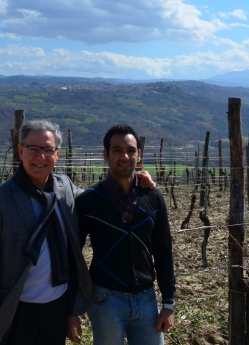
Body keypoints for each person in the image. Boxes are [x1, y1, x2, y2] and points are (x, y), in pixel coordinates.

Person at [0, 120, 155, 345]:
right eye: (33, 149)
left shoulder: (64, 188)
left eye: (48, 150)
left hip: (56, 309)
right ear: (21, 151)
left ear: (57, 154)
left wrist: (133, 180)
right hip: (16, 314)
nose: (41, 157)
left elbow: (101, 198)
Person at [72, 124, 176, 345]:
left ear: (139, 155)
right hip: (105, 300)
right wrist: (72, 309)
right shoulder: (88, 201)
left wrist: (168, 303)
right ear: (105, 155)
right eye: (117, 150)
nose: (124, 156)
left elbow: (164, 251)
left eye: (130, 150)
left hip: (147, 299)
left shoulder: (153, 198)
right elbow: (74, 257)